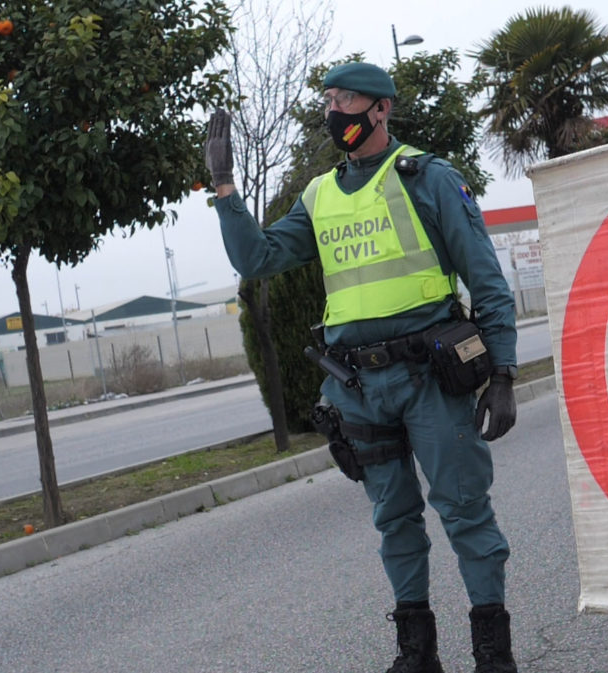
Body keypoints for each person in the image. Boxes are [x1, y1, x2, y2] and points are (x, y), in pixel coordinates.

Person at [205, 62, 520, 673]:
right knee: (394, 520)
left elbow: (487, 281)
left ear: (381, 109)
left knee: (464, 511)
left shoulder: (427, 178)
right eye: (328, 99)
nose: (333, 110)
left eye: (345, 98)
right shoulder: (319, 194)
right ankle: (416, 654)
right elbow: (259, 257)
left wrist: (503, 373)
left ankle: (493, 654)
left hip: (429, 378)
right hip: (357, 386)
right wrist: (225, 192)